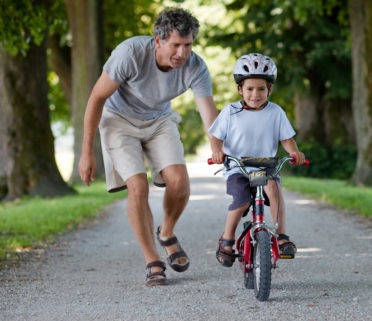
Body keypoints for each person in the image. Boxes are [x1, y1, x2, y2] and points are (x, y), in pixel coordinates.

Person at [78, 8, 218, 286]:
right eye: (175, 45)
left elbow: (208, 113)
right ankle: (152, 260)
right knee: (138, 186)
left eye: (188, 45)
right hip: (118, 121)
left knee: (179, 181)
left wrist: (218, 148)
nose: (182, 53)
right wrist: (86, 152)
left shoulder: (196, 67)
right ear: (158, 41)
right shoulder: (130, 53)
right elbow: (96, 98)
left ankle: (166, 233)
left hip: (158, 121)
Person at [209, 53, 305, 267]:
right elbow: (216, 137)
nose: (255, 94)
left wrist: (295, 152)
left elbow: (287, 139)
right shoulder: (230, 112)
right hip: (238, 167)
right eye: (250, 89)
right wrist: (217, 152)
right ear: (240, 89)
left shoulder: (275, 112)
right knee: (241, 200)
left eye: (261, 89)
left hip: (266, 166)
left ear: (269, 90)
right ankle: (227, 239)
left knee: (274, 188)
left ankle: (281, 236)